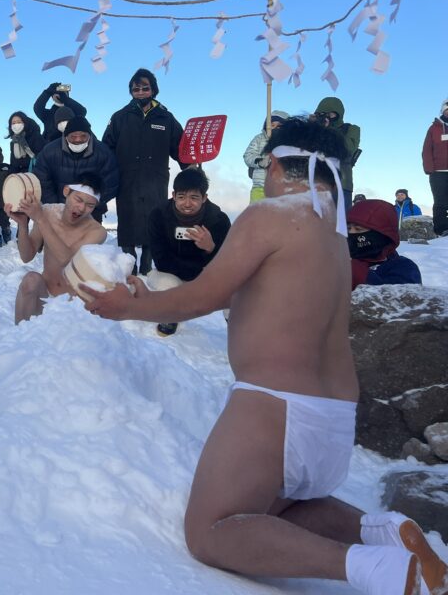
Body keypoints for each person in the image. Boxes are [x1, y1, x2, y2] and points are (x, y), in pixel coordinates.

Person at [81, 117, 447, 595]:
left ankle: (381, 570)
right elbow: (261, 297)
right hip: (333, 415)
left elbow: (203, 297)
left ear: (274, 164)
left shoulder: (271, 215)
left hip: (275, 404)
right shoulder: (332, 230)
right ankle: (382, 532)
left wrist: (130, 306)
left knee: (209, 530)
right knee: (273, 508)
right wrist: (151, 294)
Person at [102, 68, 185, 276]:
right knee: (127, 221)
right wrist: (105, 174)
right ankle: (129, 268)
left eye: (144, 88)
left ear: (153, 90)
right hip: (127, 179)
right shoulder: (119, 117)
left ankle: (147, 268)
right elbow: (106, 148)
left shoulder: (166, 118)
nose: (140, 92)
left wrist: (190, 169)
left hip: (155, 179)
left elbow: (180, 148)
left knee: (154, 220)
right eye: (135, 89)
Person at [8, 172, 108, 324]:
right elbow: (26, 256)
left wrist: (40, 219)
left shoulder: (97, 232)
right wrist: (22, 224)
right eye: (78, 200)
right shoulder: (48, 213)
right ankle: (19, 335)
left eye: (90, 206)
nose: (81, 209)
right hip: (45, 293)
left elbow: (67, 259)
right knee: (30, 280)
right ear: (66, 191)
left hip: (72, 303)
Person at [146, 167, 231, 336]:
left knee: (234, 289)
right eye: (181, 197)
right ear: (173, 195)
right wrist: (193, 279)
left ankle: (237, 329)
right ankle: (169, 317)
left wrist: (210, 248)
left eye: (194, 197)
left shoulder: (219, 220)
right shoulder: (158, 216)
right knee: (168, 284)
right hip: (170, 273)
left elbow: (227, 263)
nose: (187, 203)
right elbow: (161, 259)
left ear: (204, 198)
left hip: (205, 277)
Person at [33, 115, 118, 222]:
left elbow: (111, 183)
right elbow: (42, 180)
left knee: (90, 238)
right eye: (73, 136)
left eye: (83, 136)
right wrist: (55, 206)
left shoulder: (103, 153)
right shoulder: (49, 151)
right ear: (66, 135)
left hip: (91, 213)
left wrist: (91, 204)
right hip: (57, 210)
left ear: (90, 135)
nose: (78, 140)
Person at [348, 200, 422, 290]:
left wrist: (356, 271)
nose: (351, 233)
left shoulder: (404, 267)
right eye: (348, 228)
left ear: (381, 234)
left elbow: (399, 300)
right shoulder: (340, 258)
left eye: (358, 229)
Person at [314, 96, 361, 209]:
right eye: (321, 114)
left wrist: (328, 129)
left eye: (330, 114)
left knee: (341, 223)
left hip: (341, 185)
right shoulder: (315, 131)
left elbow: (348, 148)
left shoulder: (351, 129)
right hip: (316, 183)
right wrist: (310, 127)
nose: (326, 118)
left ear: (338, 114)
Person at [242, 110, 288, 203]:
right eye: (272, 125)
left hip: (280, 188)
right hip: (260, 187)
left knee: (277, 214)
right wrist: (259, 161)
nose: (274, 128)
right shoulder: (259, 139)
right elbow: (248, 155)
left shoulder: (287, 143)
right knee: (257, 214)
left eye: (279, 126)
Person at [422, 98, 448, 236]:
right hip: (438, 172)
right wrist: (429, 169)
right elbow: (426, 149)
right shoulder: (434, 128)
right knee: (440, 201)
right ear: (443, 111)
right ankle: (442, 229)